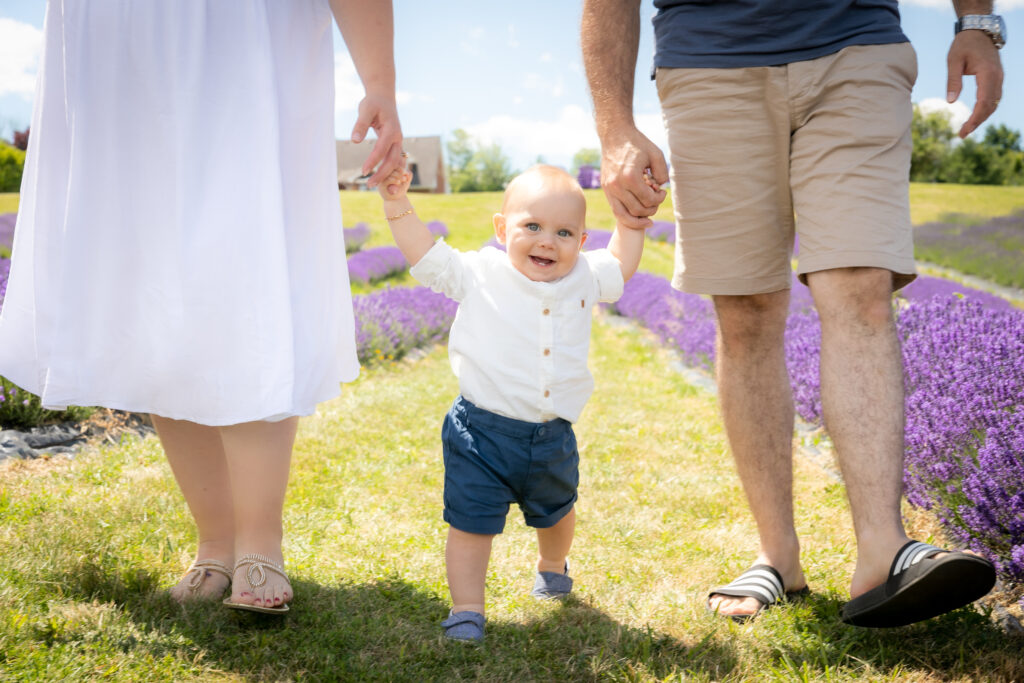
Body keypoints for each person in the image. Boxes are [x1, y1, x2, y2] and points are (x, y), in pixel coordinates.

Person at [581, 0, 1003, 627]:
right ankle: (779, 558)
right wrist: (614, 126)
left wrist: (976, 21)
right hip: (707, 60)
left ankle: (882, 552)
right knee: (746, 309)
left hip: (855, 43)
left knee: (861, 283)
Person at [0, 0, 403, 614]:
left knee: (246, 274)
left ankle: (260, 544)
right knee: (152, 287)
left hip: (238, 33)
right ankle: (215, 541)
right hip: (119, 39)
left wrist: (380, 81)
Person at [377, 164, 645, 641]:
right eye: (532, 227)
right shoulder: (479, 272)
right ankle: (467, 609)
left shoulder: (585, 276)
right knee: (470, 522)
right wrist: (397, 203)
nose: (547, 241)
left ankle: (552, 565)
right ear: (503, 229)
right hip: (479, 432)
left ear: (582, 241)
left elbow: (621, 264)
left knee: (558, 511)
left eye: (564, 232)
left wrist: (631, 224)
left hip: (551, 434)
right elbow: (425, 257)